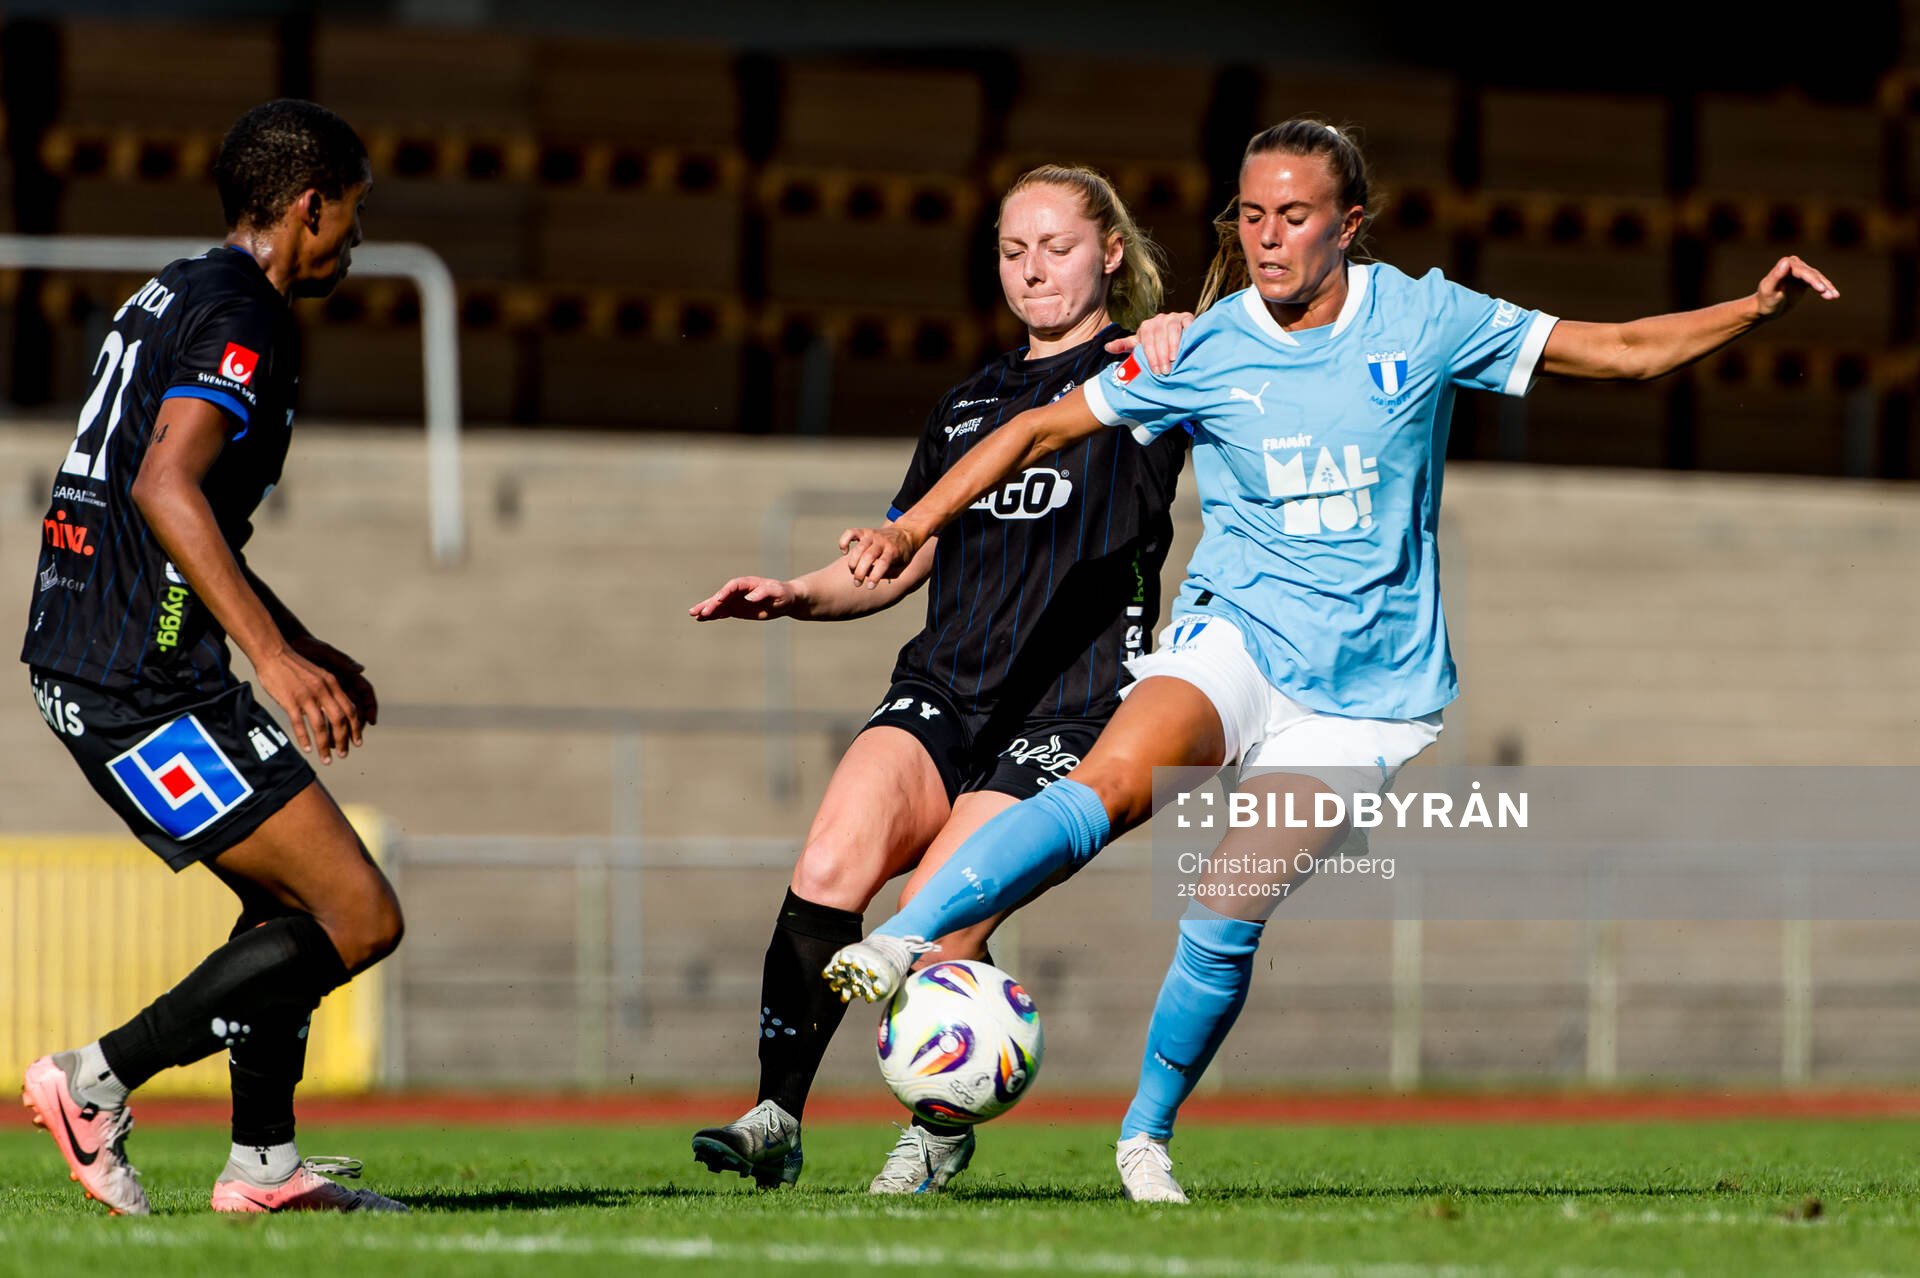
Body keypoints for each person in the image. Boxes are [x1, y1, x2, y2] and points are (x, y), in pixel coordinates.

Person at [825, 117, 1839, 1202]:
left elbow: (1625, 351)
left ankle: (1144, 1139)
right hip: (1238, 635)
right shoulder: (1206, 346)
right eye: (1251, 216)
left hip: (1368, 695)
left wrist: (1752, 308)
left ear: (1349, 225)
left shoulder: (1427, 315)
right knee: (1109, 786)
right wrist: (911, 526)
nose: (1268, 238)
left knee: (1225, 908)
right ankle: (910, 936)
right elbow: (1030, 432)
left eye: (1295, 217)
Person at [688, 165, 1188, 1194]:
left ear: (1108, 253)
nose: (1034, 268)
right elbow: (900, 557)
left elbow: (1255, 355)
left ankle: (938, 1126)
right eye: (1014, 250)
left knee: (938, 916)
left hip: (1073, 706)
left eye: (1057, 245)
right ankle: (776, 1113)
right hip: (948, 688)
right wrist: (799, 593)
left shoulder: (1151, 372)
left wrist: (1189, 333)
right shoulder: (969, 401)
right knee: (830, 865)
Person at [19, 100, 406, 1215]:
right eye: (353, 215)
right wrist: (276, 660)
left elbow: (181, 516)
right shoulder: (245, 310)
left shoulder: (175, 289)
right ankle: (94, 1080)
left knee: (287, 919)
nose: (354, 240)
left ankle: (265, 1165)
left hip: (104, 657)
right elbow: (163, 486)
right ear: (307, 205)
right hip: (138, 678)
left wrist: (303, 639)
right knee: (358, 916)